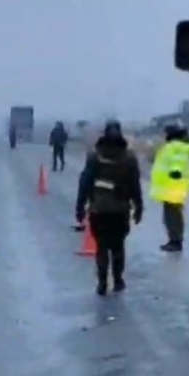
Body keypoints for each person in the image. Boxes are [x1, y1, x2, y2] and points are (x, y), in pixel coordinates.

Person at [76, 120, 143, 296]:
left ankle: (102, 282)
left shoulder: (94, 157)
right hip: (120, 211)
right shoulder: (129, 158)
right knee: (118, 247)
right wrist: (138, 207)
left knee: (102, 247)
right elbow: (135, 185)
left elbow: (84, 183)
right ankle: (118, 280)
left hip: (99, 210)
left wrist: (80, 207)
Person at [149, 125, 189, 252]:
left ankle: (175, 241)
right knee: (172, 215)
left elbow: (178, 160)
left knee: (172, 216)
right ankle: (174, 240)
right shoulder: (179, 145)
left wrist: (175, 171)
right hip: (173, 185)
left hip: (173, 185)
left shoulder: (175, 146)